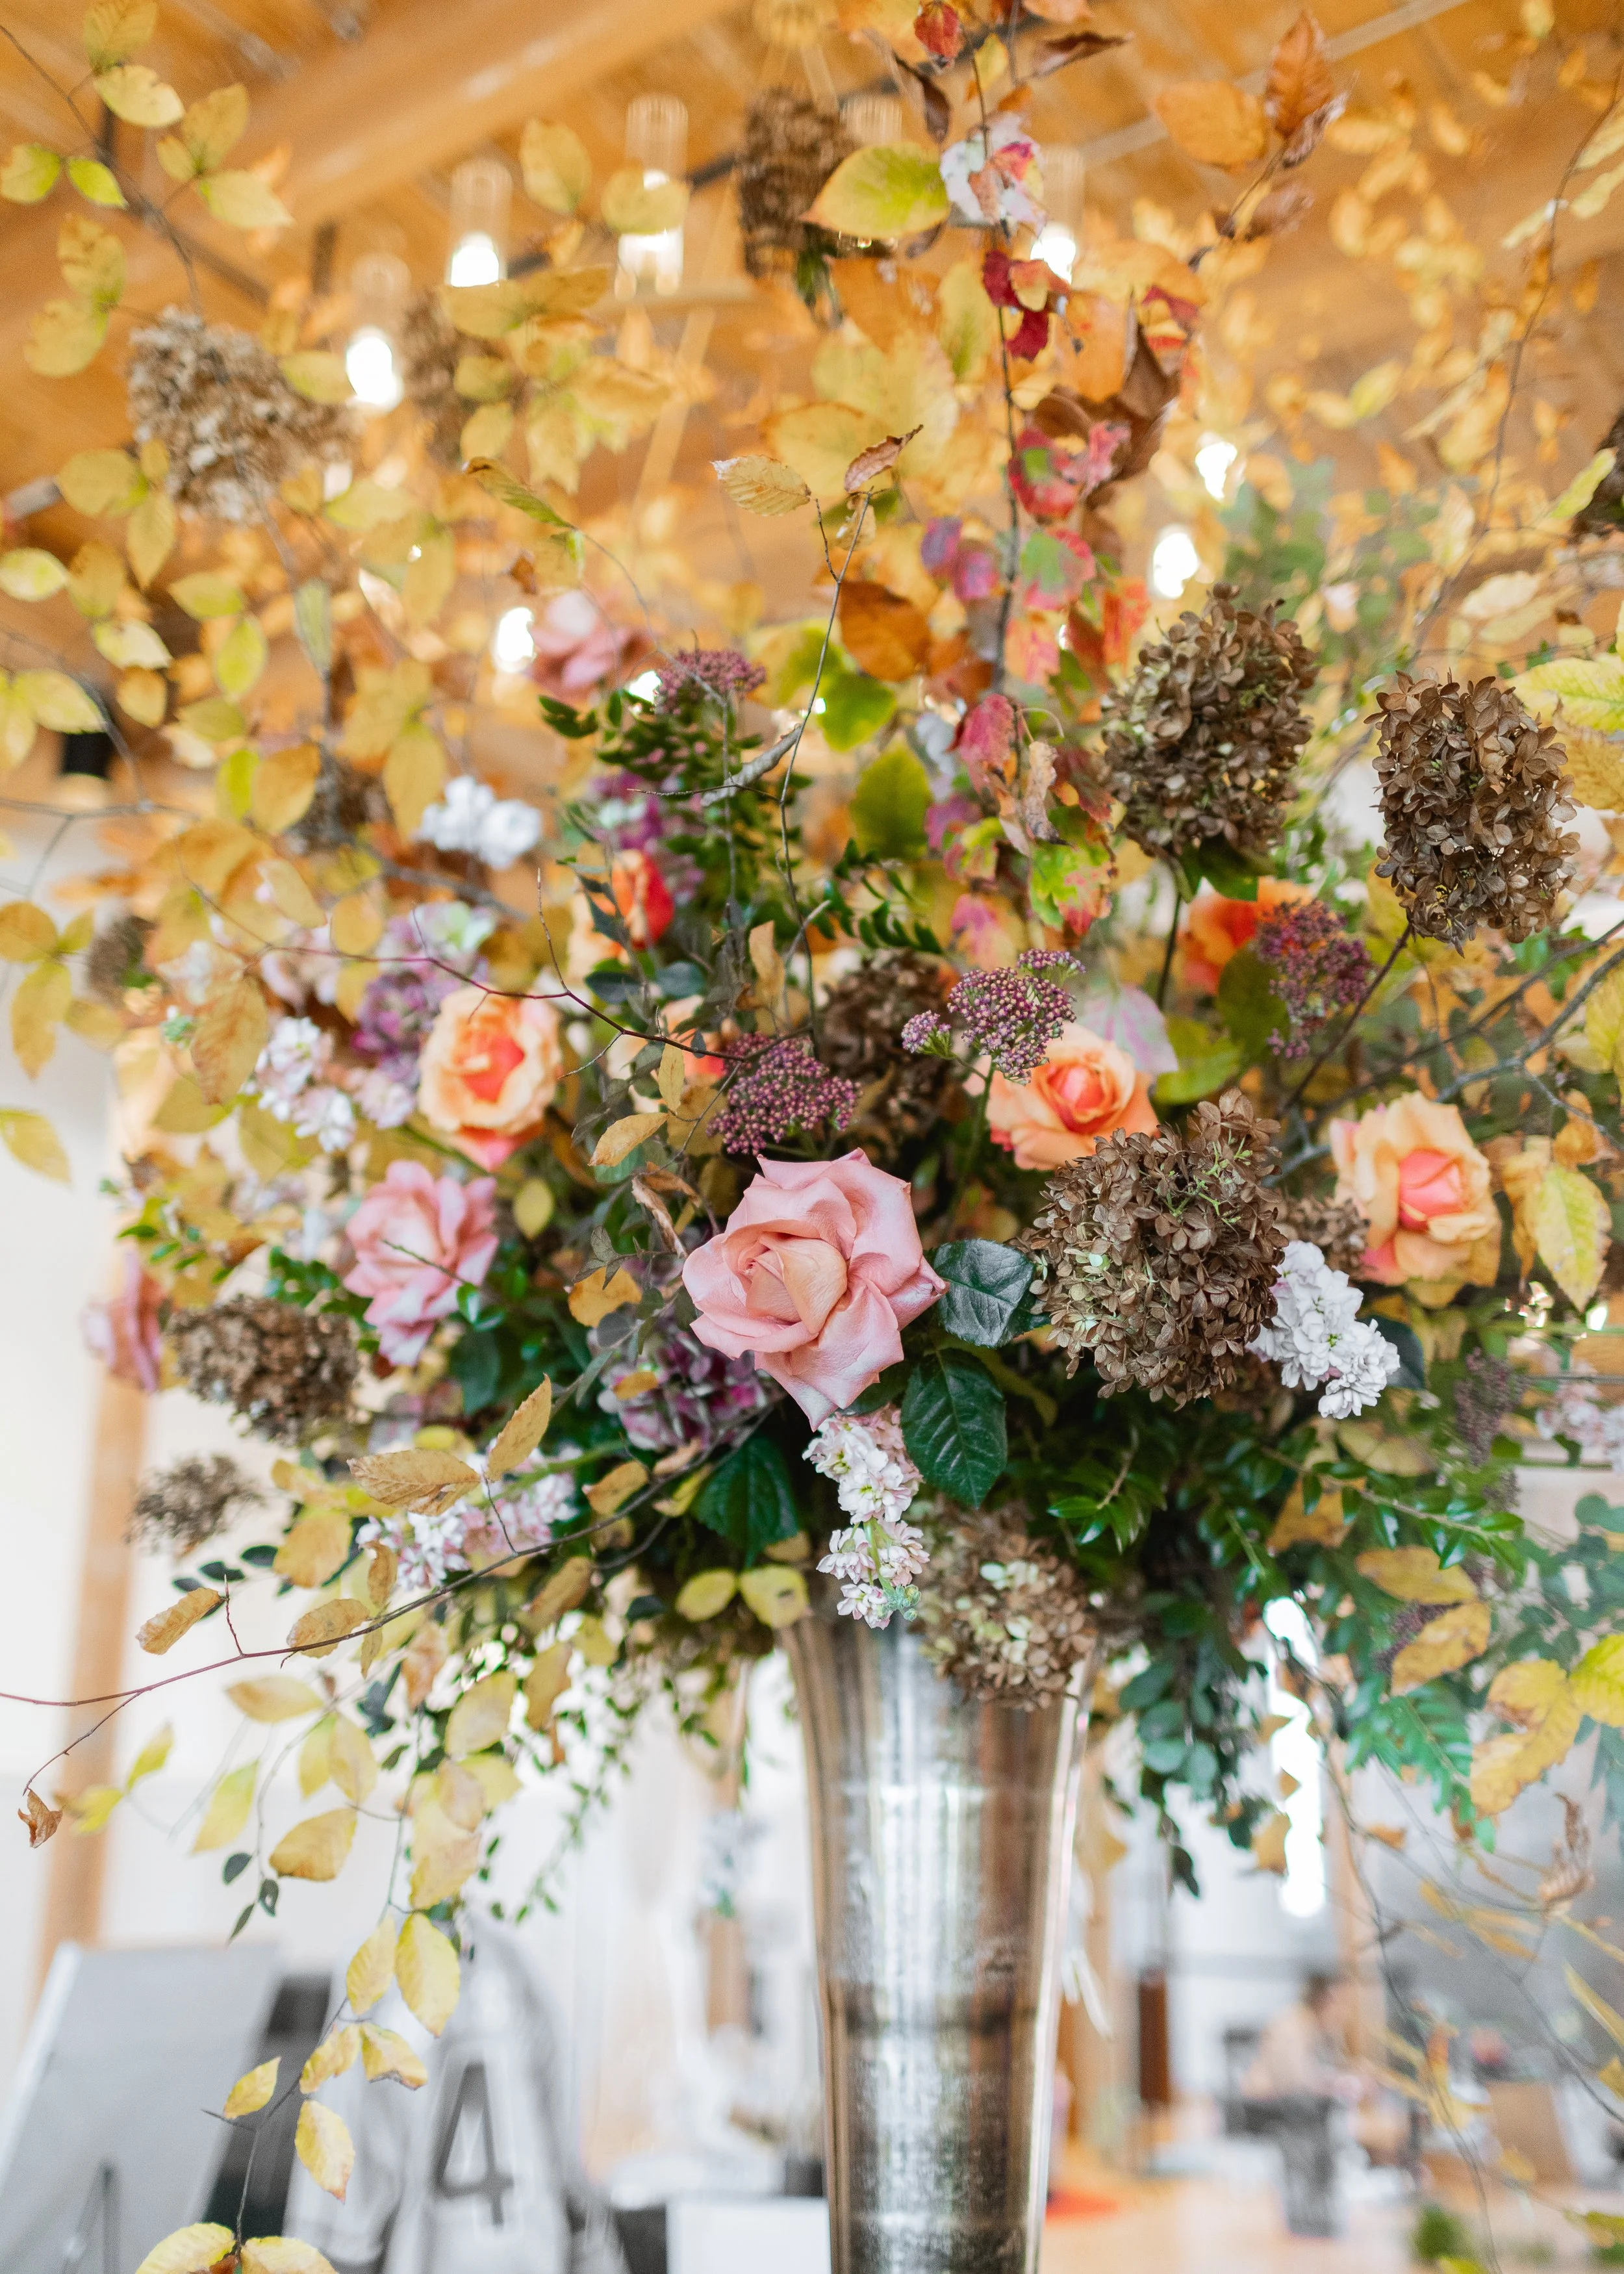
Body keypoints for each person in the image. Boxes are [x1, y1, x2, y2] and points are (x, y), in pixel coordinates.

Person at [1240, 1974, 1356, 2239]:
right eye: (1339, 2003)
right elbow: (1292, 2080)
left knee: (1331, 2124)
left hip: (1296, 2105)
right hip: (1275, 2107)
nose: (1343, 2012)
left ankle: (1319, 2214)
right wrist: (1334, 2084)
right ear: (1325, 1999)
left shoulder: (1315, 2027)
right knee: (1317, 2139)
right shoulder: (1293, 2025)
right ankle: (1308, 2218)